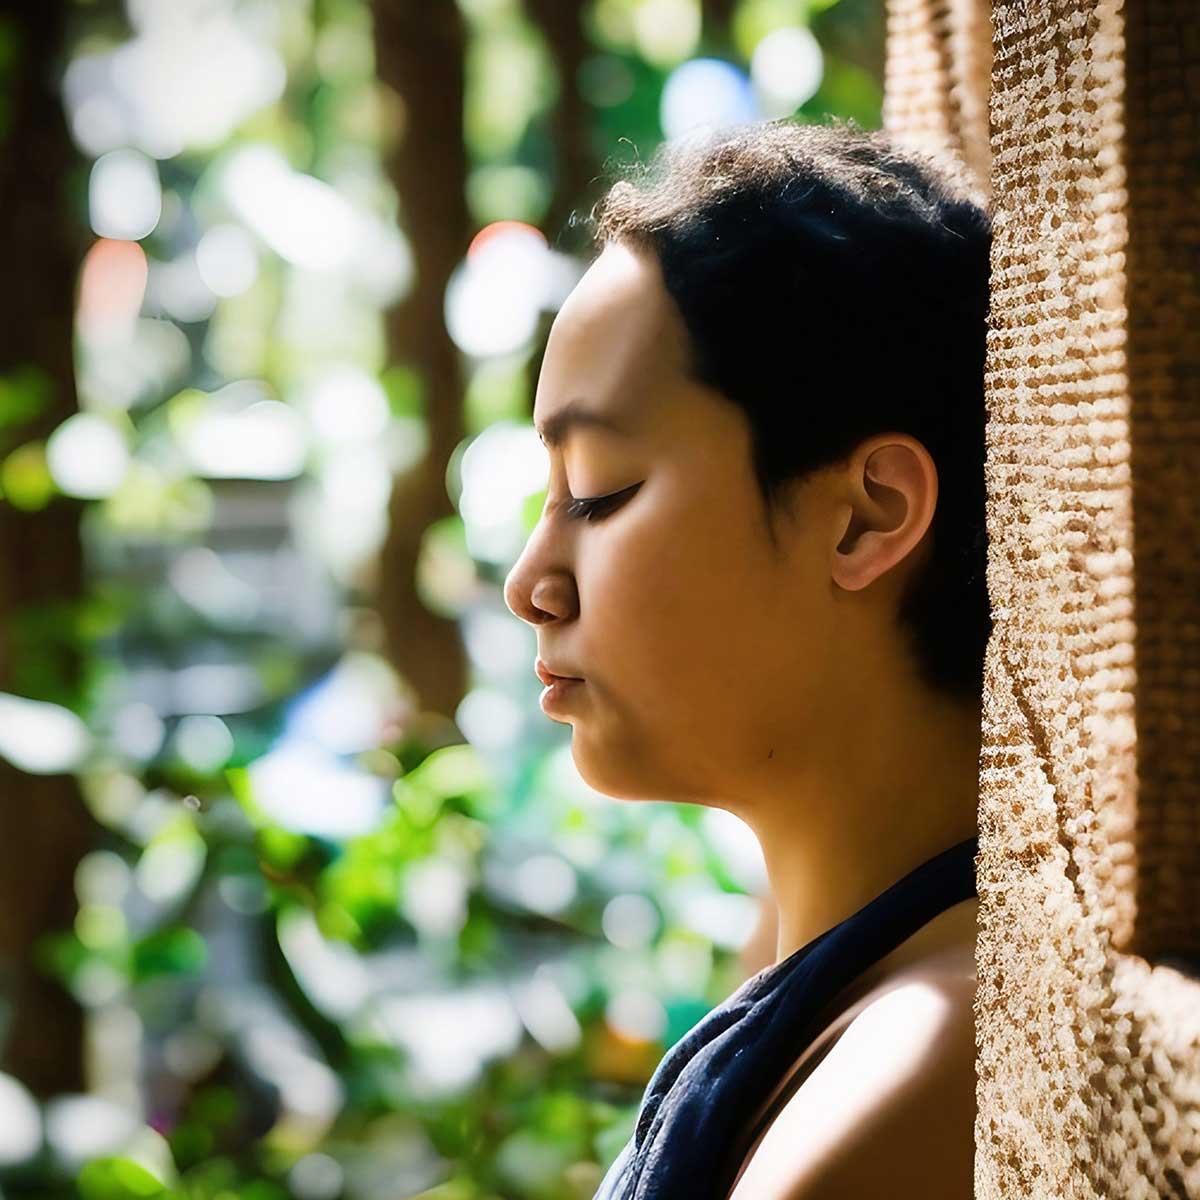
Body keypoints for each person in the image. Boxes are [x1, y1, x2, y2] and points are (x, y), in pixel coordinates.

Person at [503, 117, 991, 1199]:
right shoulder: (816, 974)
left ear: (867, 517)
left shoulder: (914, 1063)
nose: (530, 581)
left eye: (598, 493)